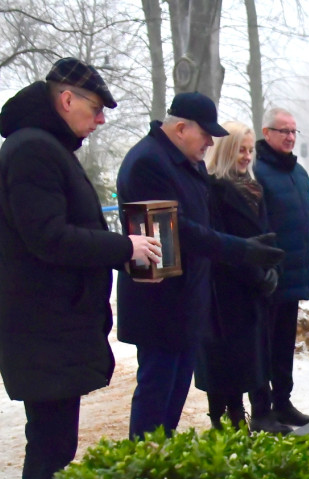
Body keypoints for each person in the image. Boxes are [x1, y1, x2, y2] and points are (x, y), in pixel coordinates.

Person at [0, 58, 163, 479]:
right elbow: (49, 237)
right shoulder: (33, 150)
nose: (101, 120)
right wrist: (123, 248)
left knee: (55, 442)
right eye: (96, 108)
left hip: (51, 325)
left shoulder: (45, 146)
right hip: (43, 326)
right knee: (50, 446)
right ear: (67, 99)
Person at [117, 92, 284, 439]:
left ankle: (160, 460)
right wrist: (241, 249)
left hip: (187, 300)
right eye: (206, 134)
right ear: (181, 128)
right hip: (160, 303)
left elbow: (199, 223)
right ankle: (145, 464)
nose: (210, 143)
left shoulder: (184, 162)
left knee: (173, 398)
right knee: (157, 396)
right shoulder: (148, 162)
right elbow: (177, 229)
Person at [195, 121, 280, 430]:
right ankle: (224, 420)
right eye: (240, 150)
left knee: (248, 359)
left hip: (252, 287)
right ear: (226, 151)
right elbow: (218, 242)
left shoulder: (254, 189)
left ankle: (246, 417)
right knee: (223, 362)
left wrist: (270, 270)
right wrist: (255, 273)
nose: (246, 156)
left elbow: (266, 234)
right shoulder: (212, 189)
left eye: (250, 150)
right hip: (224, 289)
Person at [249, 106, 309, 432]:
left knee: (283, 346)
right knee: (262, 346)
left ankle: (283, 402)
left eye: (294, 131)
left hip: (294, 273)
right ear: (267, 133)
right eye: (284, 131)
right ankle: (261, 409)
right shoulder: (256, 172)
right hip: (268, 277)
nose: (290, 137)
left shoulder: (299, 174)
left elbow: (304, 226)